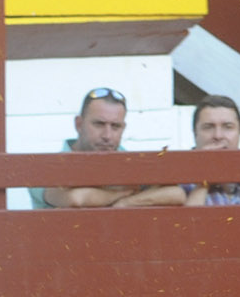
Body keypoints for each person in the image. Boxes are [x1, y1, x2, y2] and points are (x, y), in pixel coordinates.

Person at [44, 86, 187, 208]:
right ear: (79, 124)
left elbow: (176, 194)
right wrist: (120, 195)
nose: (107, 135)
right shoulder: (49, 166)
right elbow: (76, 199)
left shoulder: (129, 160)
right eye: (99, 124)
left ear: (123, 128)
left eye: (115, 126)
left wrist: (126, 203)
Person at [182, 95, 240, 206]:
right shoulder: (179, 172)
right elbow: (188, 221)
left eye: (228, 127)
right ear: (195, 133)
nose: (218, 136)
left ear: (239, 132)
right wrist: (205, 174)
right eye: (208, 127)